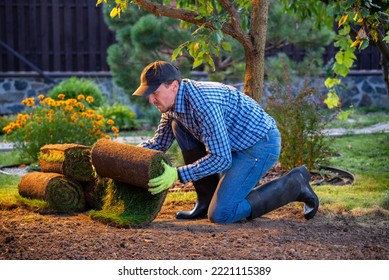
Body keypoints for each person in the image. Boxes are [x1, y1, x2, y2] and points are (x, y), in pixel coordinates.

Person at [133, 61, 319, 224]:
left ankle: (294, 185)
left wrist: (177, 175)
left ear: (174, 86)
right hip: (232, 144)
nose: (150, 99)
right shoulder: (173, 105)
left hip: (259, 145)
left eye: (155, 93)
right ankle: (205, 202)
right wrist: (126, 155)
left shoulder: (204, 104)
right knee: (178, 126)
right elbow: (158, 143)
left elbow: (221, 159)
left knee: (222, 214)